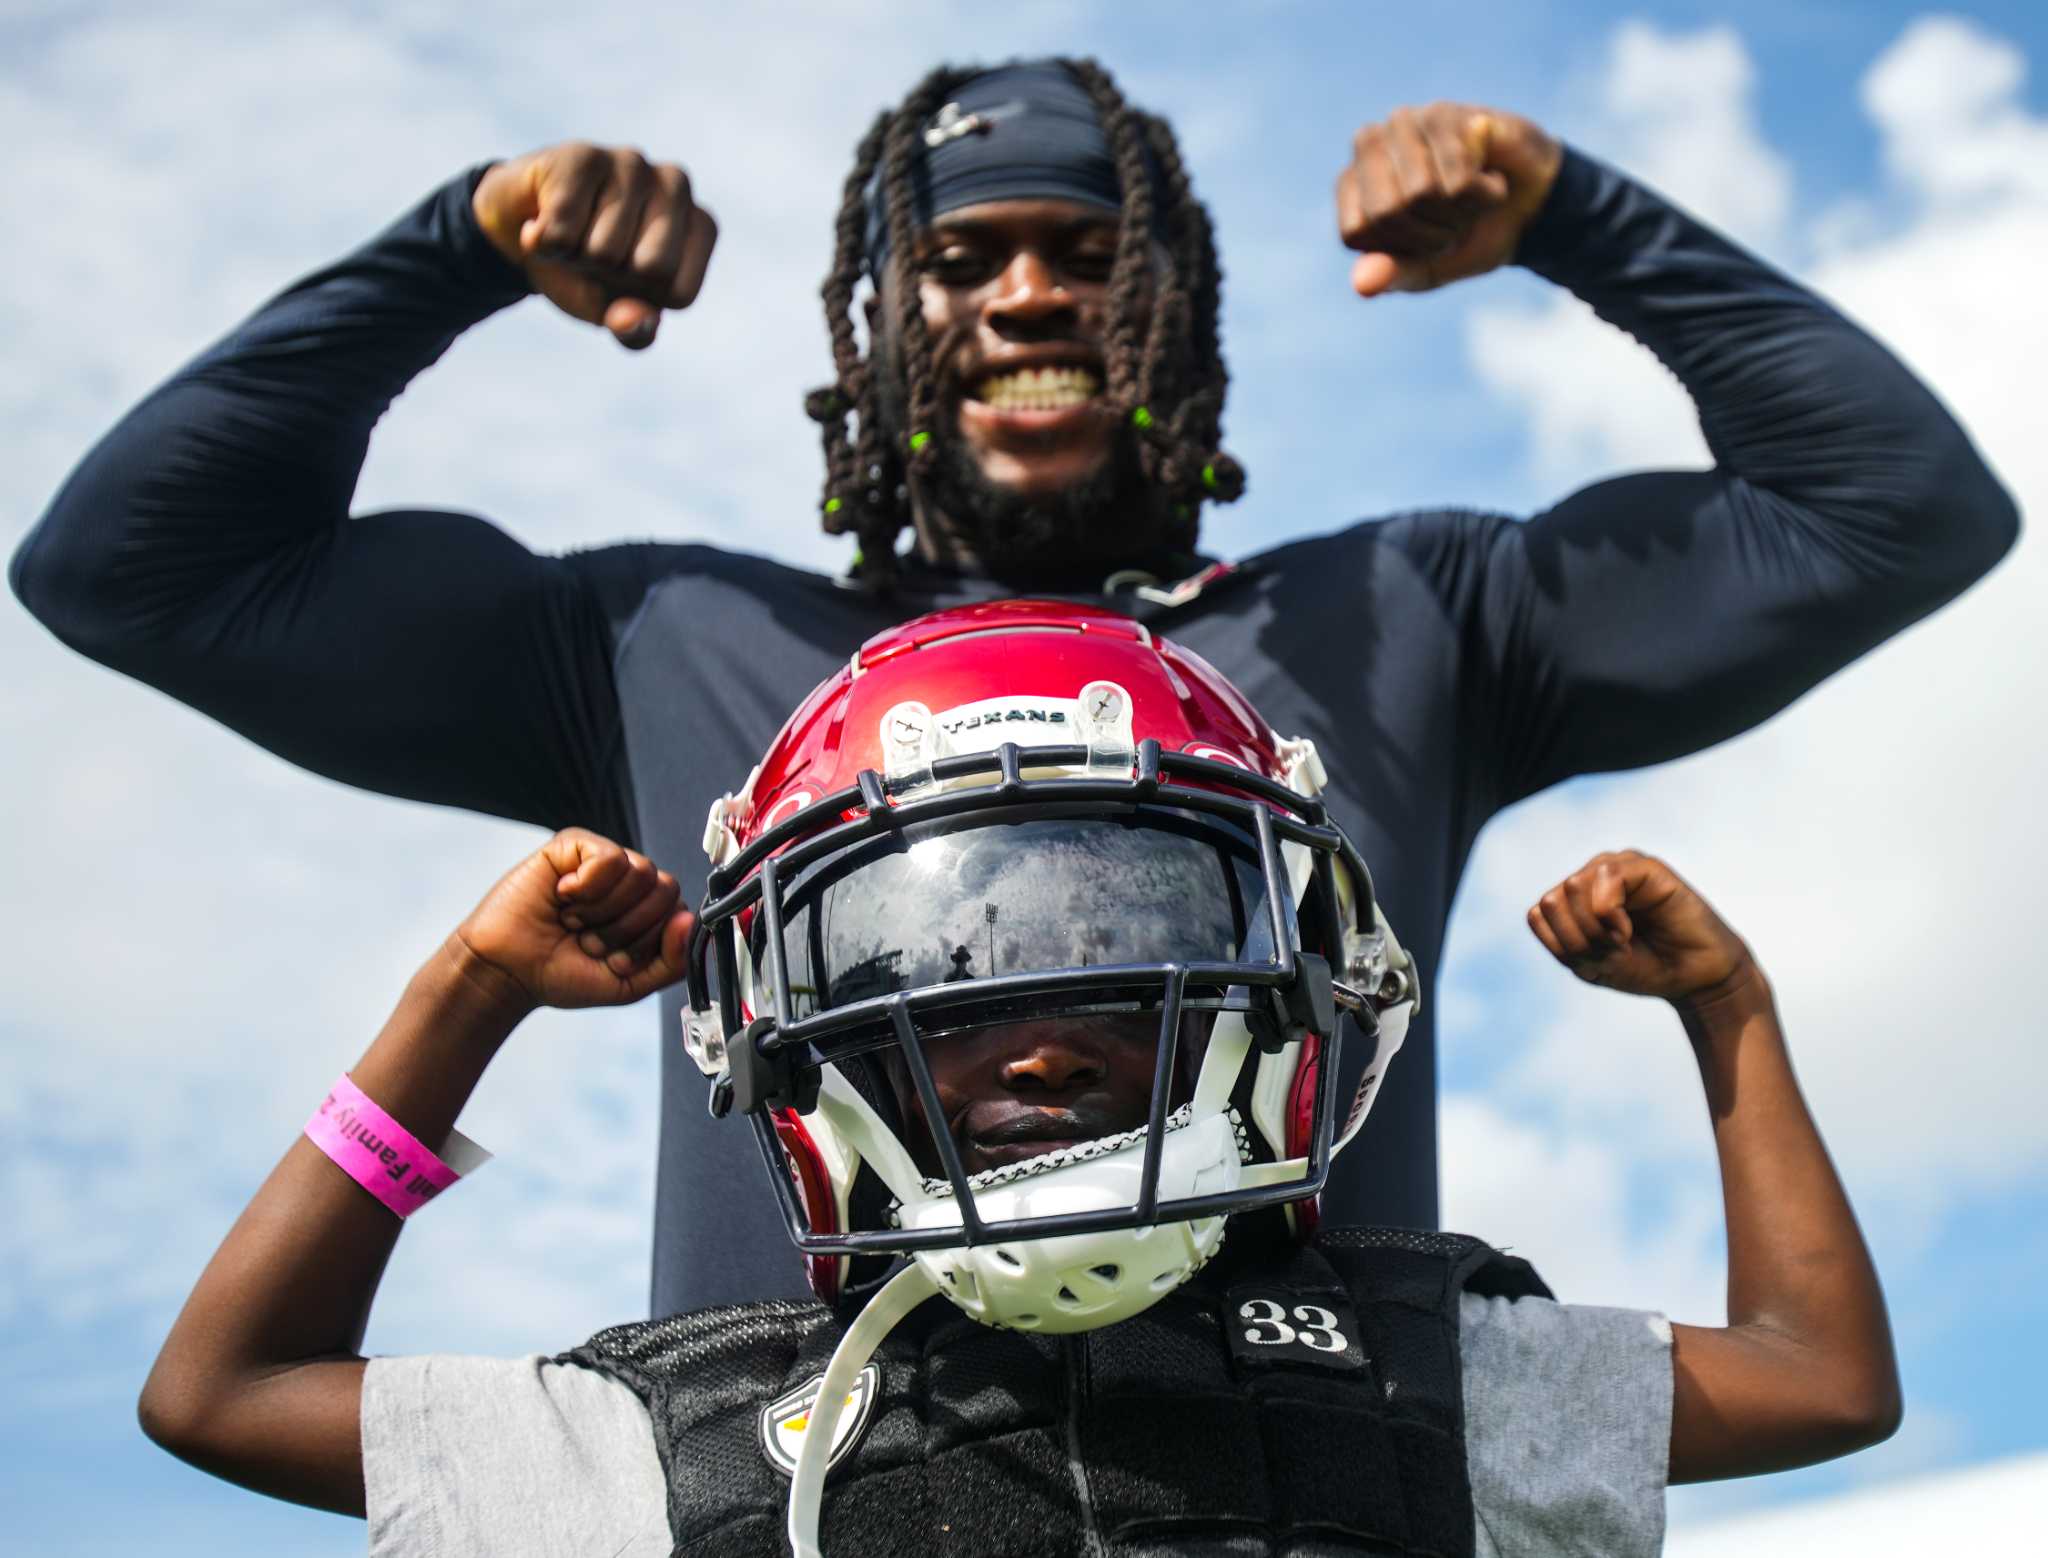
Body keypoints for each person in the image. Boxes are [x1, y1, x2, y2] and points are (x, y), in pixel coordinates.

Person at [10, 57, 2017, 1320]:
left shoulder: (1399, 623)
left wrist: (1579, 212)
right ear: (890, 329)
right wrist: (453, 246)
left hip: (1306, 1479)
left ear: (1179, 314)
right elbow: (133, 569)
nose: (1033, 295)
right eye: (970, 261)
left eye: (1084, 251)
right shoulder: (668, 646)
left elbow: (1891, 516)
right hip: (794, 1484)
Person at [137, 614, 1899, 1557]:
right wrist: (460, 999)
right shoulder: (691, 1445)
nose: (1035, 1037)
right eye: (938, 977)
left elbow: (1824, 1382)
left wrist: (1727, 1009)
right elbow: (221, 1393)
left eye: (1116, 952)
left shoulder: (1423, 1381)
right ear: (787, 1022)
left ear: (1275, 985)